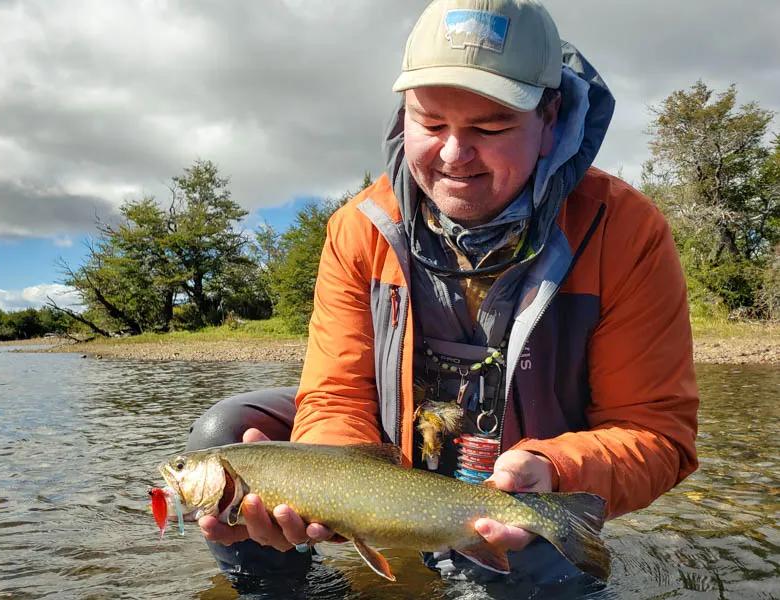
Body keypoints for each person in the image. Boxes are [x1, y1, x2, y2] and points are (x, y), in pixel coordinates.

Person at [185, 0, 699, 589]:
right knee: (224, 439)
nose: (453, 155)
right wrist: (316, 488)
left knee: (531, 565)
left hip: (523, 476)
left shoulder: (623, 230)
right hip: (391, 459)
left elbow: (655, 432)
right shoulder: (359, 228)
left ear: (550, 117)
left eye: (490, 127)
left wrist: (555, 470)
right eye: (429, 124)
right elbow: (335, 394)